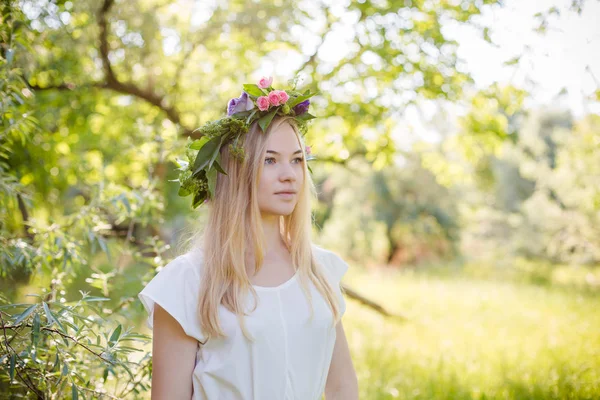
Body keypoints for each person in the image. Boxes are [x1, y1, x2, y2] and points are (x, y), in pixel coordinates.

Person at [138, 76, 359, 399]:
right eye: (270, 160)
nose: (289, 174)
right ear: (236, 171)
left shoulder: (321, 270)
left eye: (297, 160)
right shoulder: (187, 282)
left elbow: (341, 386)